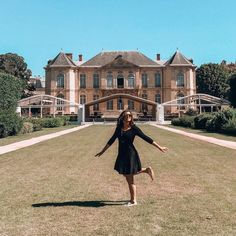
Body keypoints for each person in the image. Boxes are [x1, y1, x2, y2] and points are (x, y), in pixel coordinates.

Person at [95, 110, 168, 206]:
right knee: (127, 174)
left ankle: (133, 201)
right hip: (122, 154)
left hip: (130, 154)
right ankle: (146, 170)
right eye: (127, 115)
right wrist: (102, 151)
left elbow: (146, 138)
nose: (129, 117)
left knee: (130, 179)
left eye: (130, 115)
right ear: (122, 117)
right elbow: (111, 140)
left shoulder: (134, 128)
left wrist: (159, 147)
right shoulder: (119, 128)